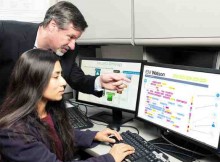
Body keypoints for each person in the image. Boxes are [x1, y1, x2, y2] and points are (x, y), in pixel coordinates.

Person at [0, 49, 135, 162]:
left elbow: (56, 135)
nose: (64, 82)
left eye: (62, 75)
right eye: (56, 76)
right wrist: (110, 158)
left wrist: (94, 135)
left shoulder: (47, 110)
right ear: (35, 80)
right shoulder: (14, 132)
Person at [0, 1, 130, 104]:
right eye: (70, 37)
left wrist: (100, 82)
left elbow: (78, 80)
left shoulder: (67, 51)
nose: (73, 46)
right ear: (52, 26)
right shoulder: (6, 32)